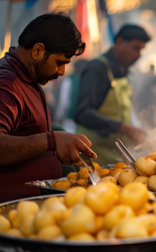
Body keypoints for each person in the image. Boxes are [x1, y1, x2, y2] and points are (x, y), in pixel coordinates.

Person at [0, 13, 96, 202]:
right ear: (37, 50)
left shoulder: (27, 79)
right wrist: (51, 141)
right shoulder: (7, 83)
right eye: (59, 63)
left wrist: (58, 138)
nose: (61, 72)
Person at [75, 24, 151, 165]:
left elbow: (124, 110)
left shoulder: (124, 71)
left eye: (141, 50)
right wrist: (123, 128)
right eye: (136, 48)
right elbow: (82, 113)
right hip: (92, 155)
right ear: (119, 42)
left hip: (115, 155)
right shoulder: (97, 68)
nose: (139, 55)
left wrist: (137, 130)